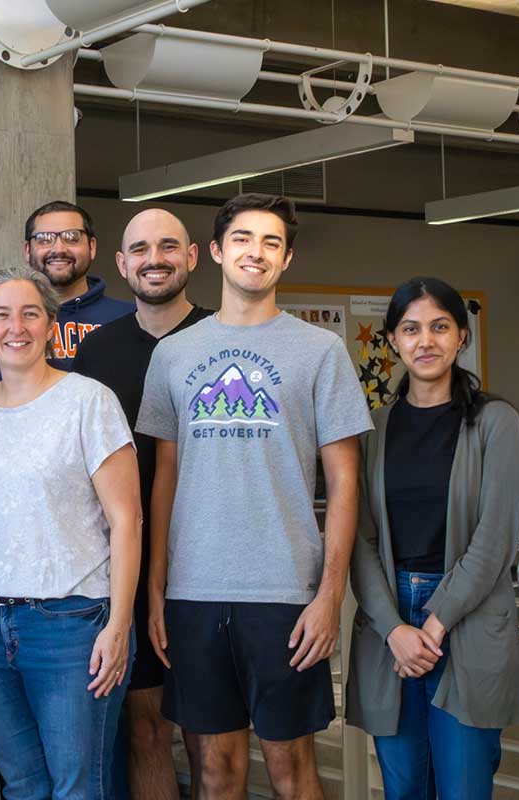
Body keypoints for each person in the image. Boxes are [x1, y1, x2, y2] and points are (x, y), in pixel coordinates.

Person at [139, 193, 372, 800]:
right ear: (216, 251)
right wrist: (157, 590)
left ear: (286, 258)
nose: (256, 252)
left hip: (285, 595)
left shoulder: (320, 351)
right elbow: (164, 478)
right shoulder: (172, 354)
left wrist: (328, 595)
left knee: (293, 769)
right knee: (215, 772)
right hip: (193, 592)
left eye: (272, 242)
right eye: (243, 238)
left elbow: (345, 482)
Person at [0, 267, 140, 800]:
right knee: (21, 784)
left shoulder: (89, 401)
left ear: (51, 325)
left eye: (31, 313)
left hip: (72, 621)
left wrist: (119, 625)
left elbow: (127, 520)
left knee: (77, 786)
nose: (17, 327)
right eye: (2, 315)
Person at [345, 277, 519, 800]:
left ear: (462, 337)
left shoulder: (496, 422)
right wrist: (395, 630)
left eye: (440, 327)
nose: (425, 341)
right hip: (390, 625)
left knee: (463, 787)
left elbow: (495, 540)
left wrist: (435, 621)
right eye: (411, 329)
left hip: (464, 618)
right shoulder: (371, 431)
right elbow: (360, 542)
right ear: (392, 341)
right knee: (404, 789)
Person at [68, 208, 212, 800]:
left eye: (169, 246)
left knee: (213, 736)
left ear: (193, 257)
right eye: (141, 249)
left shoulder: (220, 339)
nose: (156, 258)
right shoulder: (96, 353)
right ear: (122, 264)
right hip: (124, 565)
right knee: (145, 731)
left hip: (209, 567)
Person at [23, 200, 133, 368]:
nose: (59, 249)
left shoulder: (130, 317)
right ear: (27, 250)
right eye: (44, 239)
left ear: (92, 247)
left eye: (72, 238)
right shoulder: (11, 323)